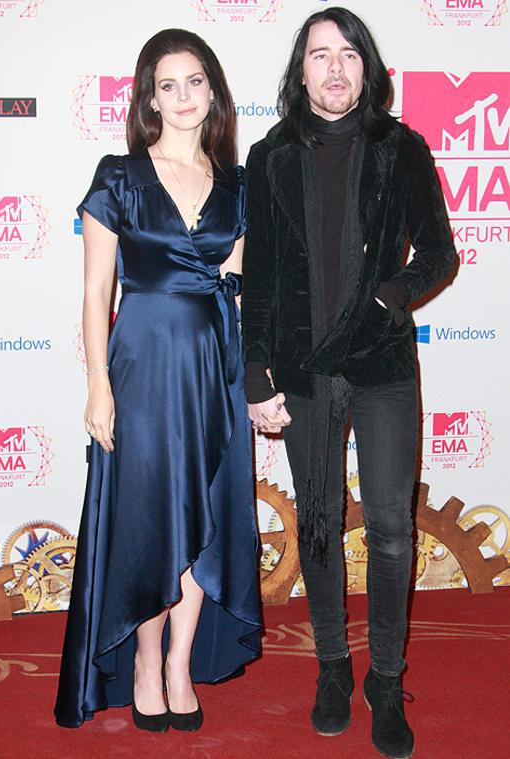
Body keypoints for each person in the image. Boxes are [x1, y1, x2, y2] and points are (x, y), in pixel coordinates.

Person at [241, 7, 457, 759]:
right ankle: (333, 665)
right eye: (319, 55)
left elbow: (438, 253)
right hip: (302, 369)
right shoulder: (269, 156)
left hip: (382, 364)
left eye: (348, 54)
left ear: (367, 67)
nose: (335, 69)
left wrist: (388, 298)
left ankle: (386, 680)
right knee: (318, 521)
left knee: (392, 528)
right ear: (300, 72)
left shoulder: (404, 148)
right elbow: (260, 279)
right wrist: (255, 372)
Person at [54, 28, 261, 733]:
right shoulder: (120, 177)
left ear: (214, 92)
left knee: (207, 515)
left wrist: (251, 379)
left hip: (214, 367)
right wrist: (98, 383)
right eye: (167, 85)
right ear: (149, 98)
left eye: (195, 81)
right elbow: (95, 293)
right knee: (149, 519)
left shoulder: (237, 184)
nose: (183, 96)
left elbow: (237, 284)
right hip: (142, 365)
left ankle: (179, 664)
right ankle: (145, 661)